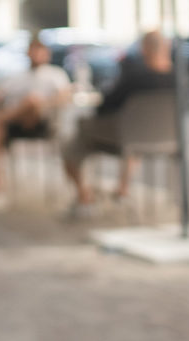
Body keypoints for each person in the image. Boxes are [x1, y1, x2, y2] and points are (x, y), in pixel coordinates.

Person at [61, 30, 175, 218]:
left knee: (76, 136)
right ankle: (122, 189)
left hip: (126, 137)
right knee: (134, 134)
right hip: (166, 138)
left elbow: (106, 104)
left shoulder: (135, 76)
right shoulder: (178, 79)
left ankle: (85, 196)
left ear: (144, 49)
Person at [0, 36, 71, 210]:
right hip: (15, 124)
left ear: (46, 54)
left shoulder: (55, 74)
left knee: (32, 101)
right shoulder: (17, 77)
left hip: (41, 123)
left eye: (39, 52)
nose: (35, 55)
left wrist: (44, 102)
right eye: (32, 51)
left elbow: (66, 96)